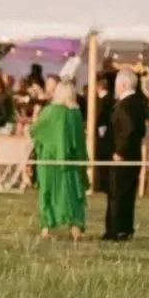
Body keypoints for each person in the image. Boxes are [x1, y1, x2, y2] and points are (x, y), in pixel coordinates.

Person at [33, 75, 87, 236]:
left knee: (48, 190)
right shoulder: (76, 114)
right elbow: (79, 140)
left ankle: (46, 227)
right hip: (71, 161)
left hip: (49, 159)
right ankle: (75, 227)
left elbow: (36, 131)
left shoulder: (50, 112)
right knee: (71, 192)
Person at [102, 68, 149, 241]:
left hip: (122, 158)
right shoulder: (138, 103)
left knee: (117, 194)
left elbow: (129, 129)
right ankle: (125, 228)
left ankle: (115, 230)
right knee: (127, 195)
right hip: (134, 156)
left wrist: (119, 151)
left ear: (122, 84)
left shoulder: (125, 105)